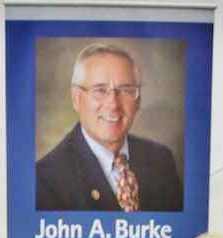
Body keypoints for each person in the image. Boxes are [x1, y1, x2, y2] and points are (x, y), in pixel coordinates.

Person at [36, 43, 183, 212]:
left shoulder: (161, 160)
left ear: (138, 100)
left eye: (125, 90)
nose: (113, 104)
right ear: (76, 98)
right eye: (100, 90)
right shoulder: (45, 182)